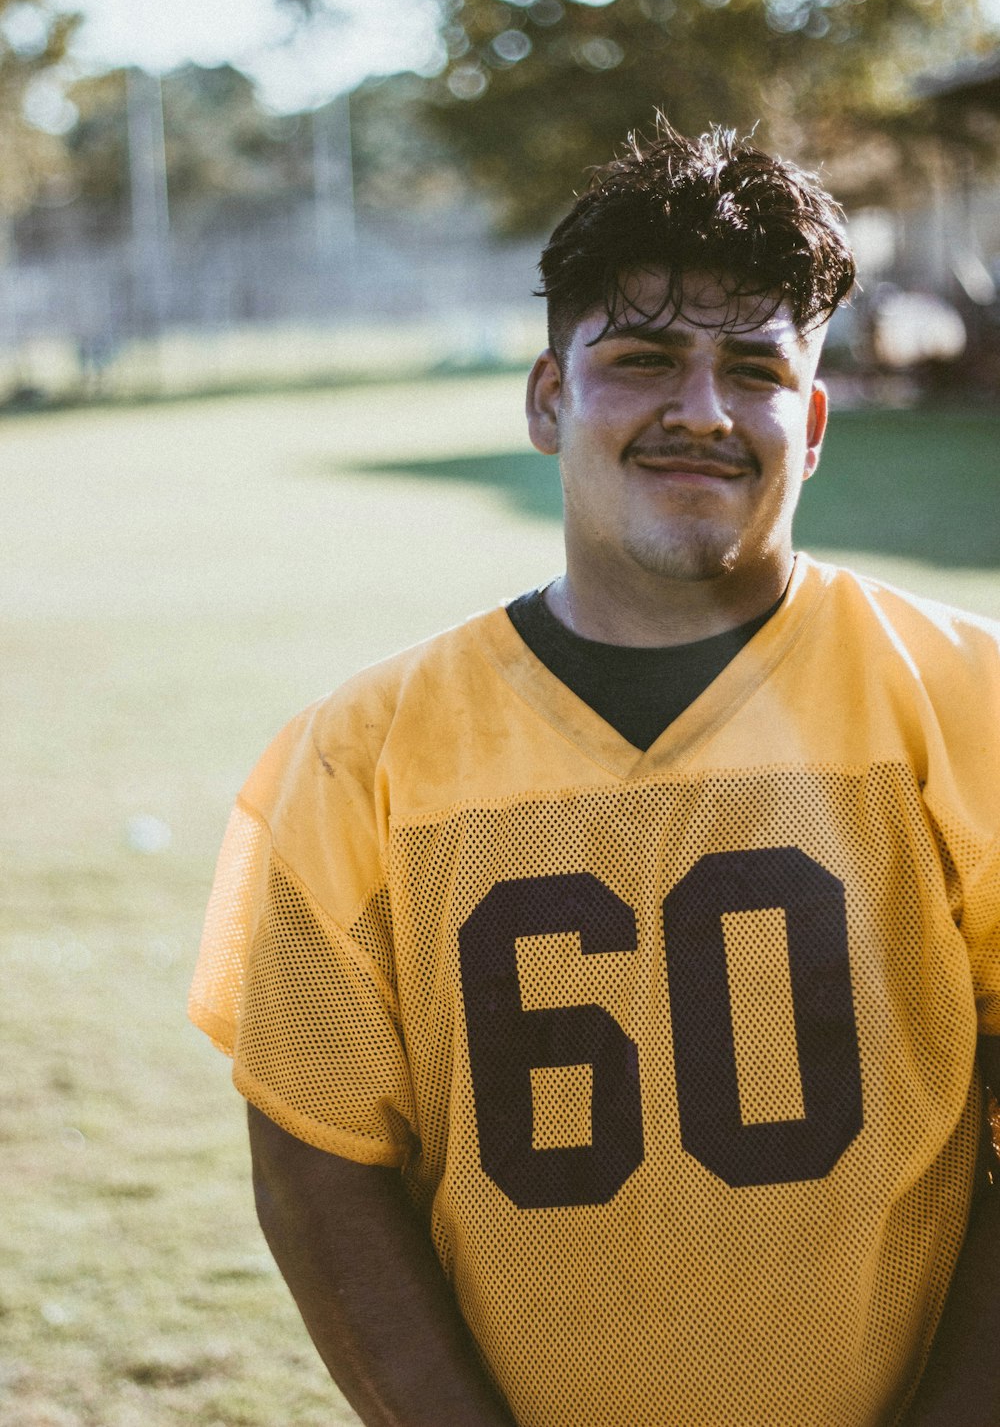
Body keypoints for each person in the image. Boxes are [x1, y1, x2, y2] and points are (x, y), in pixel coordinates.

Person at [189, 121, 1000, 1427]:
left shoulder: (971, 702)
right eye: (641, 360)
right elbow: (317, 1157)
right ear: (547, 396)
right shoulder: (359, 753)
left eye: (755, 368)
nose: (700, 410)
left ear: (817, 420)